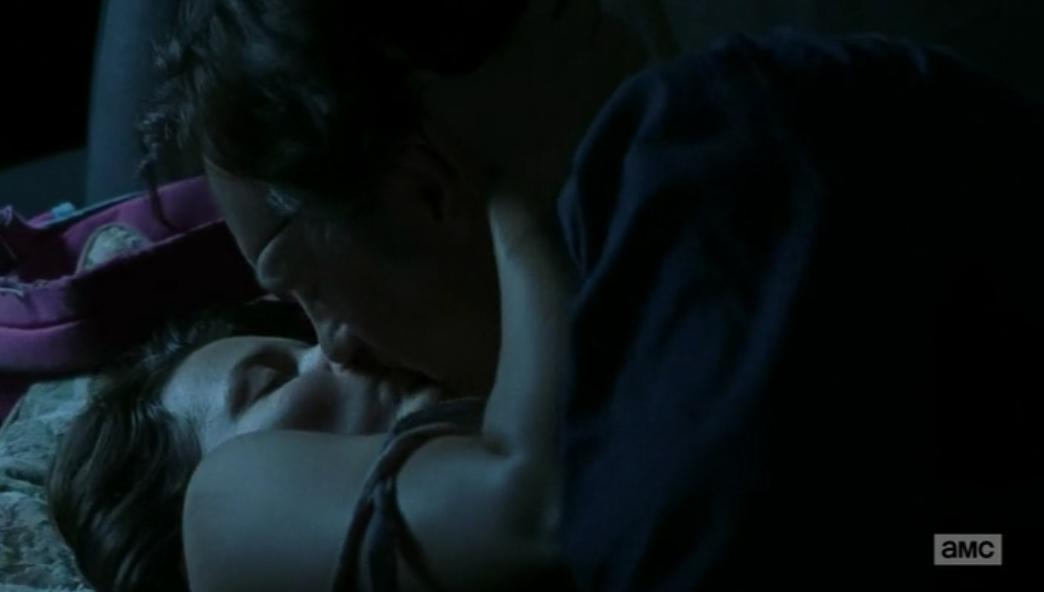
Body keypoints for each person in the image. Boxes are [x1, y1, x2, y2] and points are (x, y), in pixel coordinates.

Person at [144, 0, 1044, 590]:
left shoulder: (715, 182)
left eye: (303, 289)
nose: (333, 345)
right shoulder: (787, 119)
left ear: (429, 187)